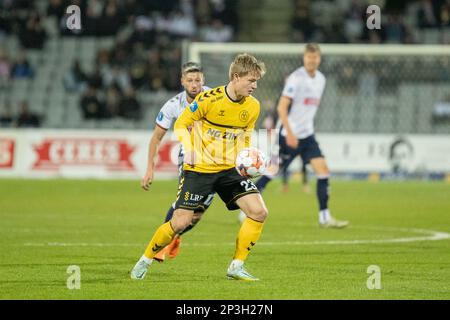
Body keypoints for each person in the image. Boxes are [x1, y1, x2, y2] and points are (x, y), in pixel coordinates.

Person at [131, 53, 267, 281]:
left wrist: (245, 157)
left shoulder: (253, 106)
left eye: (256, 81)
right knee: (181, 222)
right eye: (251, 80)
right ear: (236, 77)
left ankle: (236, 265)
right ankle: (145, 260)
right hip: (200, 169)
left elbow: (245, 134)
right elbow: (182, 125)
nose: (254, 86)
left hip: (229, 170)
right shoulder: (208, 100)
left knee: (258, 211)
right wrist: (192, 148)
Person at [242, 43, 348, 229]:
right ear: (304, 58)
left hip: (307, 136)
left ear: (319, 59)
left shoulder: (321, 79)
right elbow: (282, 107)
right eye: (308, 57)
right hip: (288, 135)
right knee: (272, 172)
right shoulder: (295, 78)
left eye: (315, 58)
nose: (311, 61)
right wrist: (290, 133)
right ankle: (246, 208)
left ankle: (324, 216)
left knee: (323, 171)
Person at [139, 62, 212, 263]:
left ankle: (176, 236)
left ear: (203, 80)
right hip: (189, 157)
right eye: (190, 80)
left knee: (197, 214)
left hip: (216, 160)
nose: (194, 84)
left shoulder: (214, 97)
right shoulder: (173, 105)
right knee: (185, 206)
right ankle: (160, 246)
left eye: (197, 80)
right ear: (182, 81)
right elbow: (156, 138)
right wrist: (149, 169)